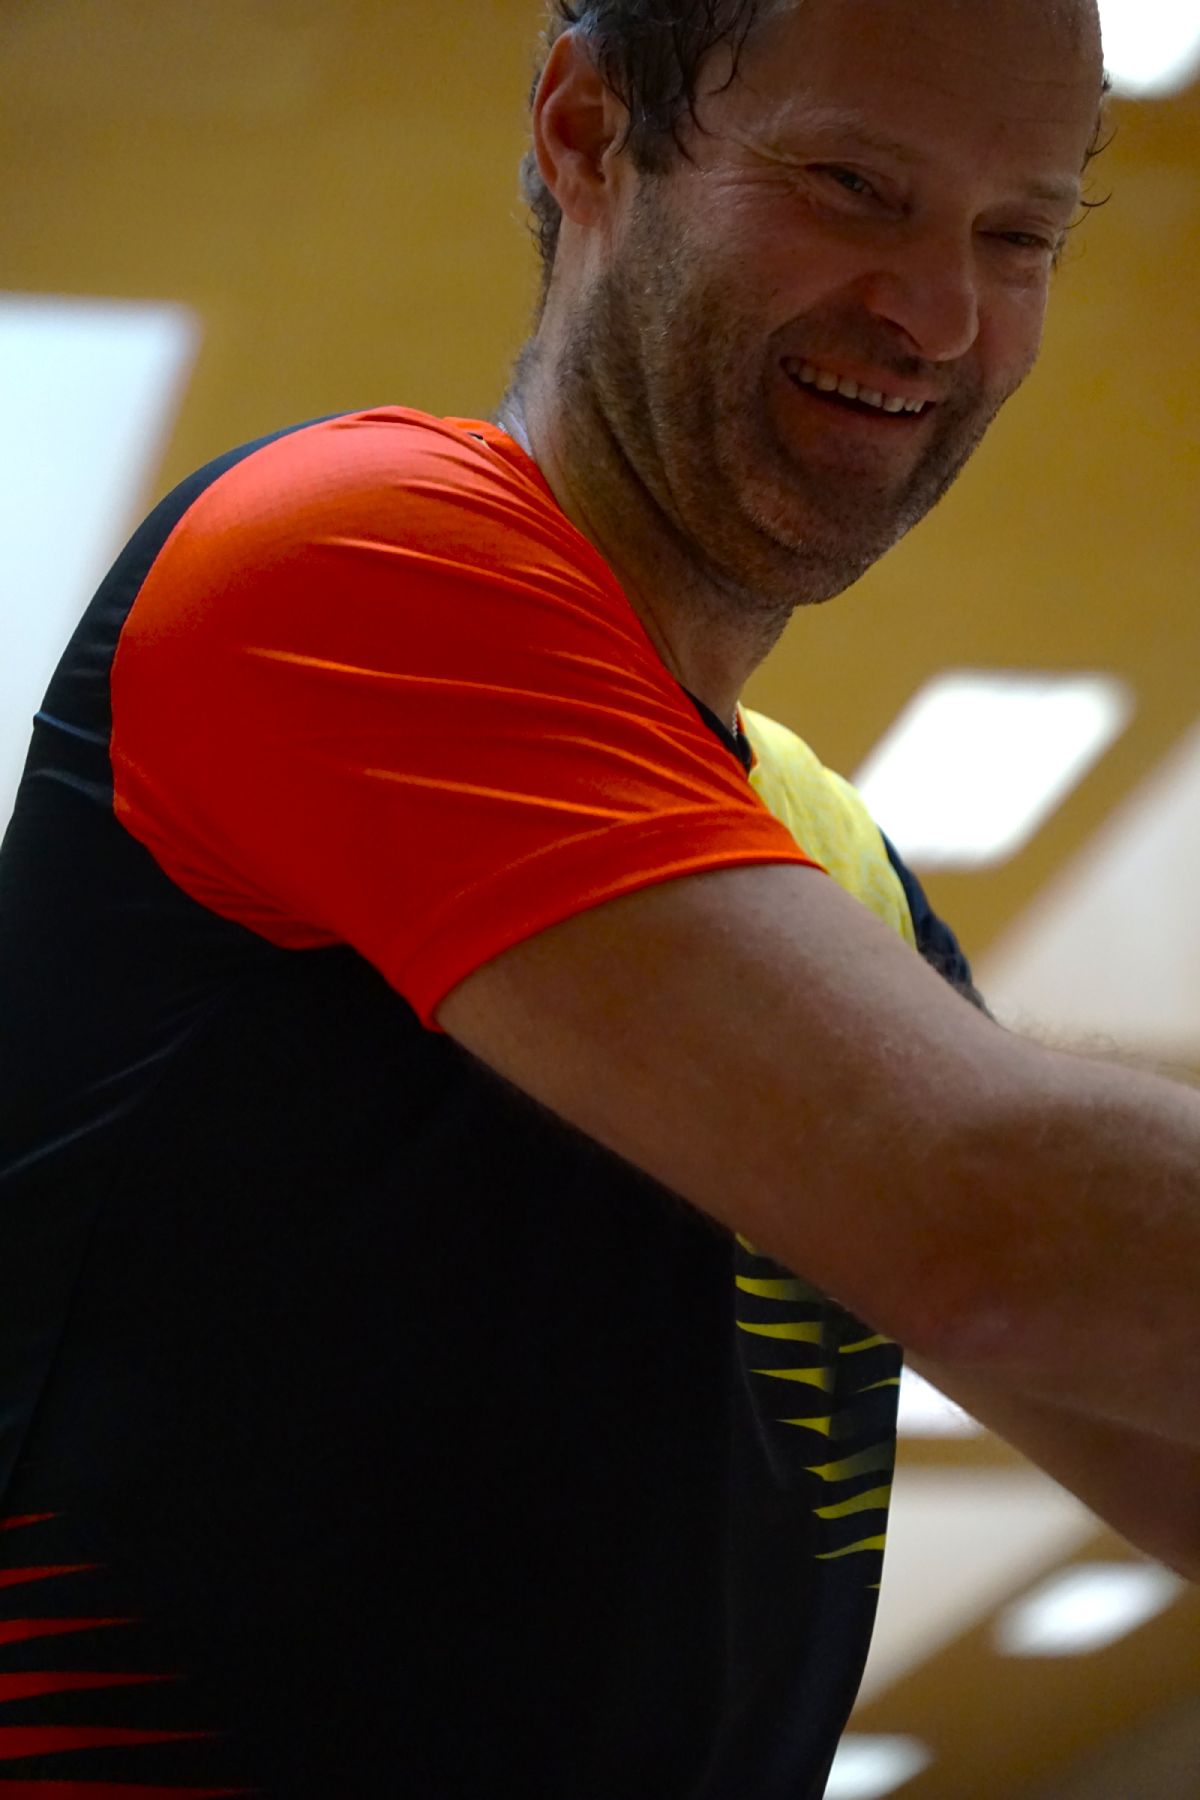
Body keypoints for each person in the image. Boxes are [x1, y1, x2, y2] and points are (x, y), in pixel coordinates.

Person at [0, 0, 1195, 1794]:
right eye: (853, 185)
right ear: (584, 130)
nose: (941, 313)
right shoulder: (348, 553)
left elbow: (1134, 1382)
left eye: (1018, 234)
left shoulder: (824, 846)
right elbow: (994, 1221)